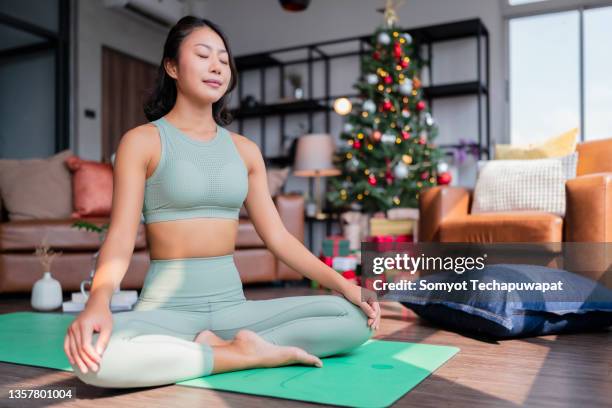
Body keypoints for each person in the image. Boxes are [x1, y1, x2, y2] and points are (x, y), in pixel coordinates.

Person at [64, 15, 381, 389]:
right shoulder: (142, 141)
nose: (217, 66)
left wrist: (344, 284)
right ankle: (239, 354)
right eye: (202, 55)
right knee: (94, 363)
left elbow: (278, 238)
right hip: (166, 312)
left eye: (224, 59)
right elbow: (119, 238)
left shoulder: (246, 151)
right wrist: (98, 301)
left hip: (236, 309)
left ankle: (218, 351)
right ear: (172, 67)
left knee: (354, 319)